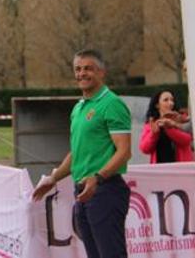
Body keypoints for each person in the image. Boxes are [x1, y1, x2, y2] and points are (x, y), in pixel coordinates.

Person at [32, 49, 131, 258]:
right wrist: (53, 178)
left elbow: (124, 152)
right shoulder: (78, 108)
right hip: (83, 193)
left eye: (88, 68)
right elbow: (77, 153)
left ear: (101, 72)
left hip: (106, 191)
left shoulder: (112, 104)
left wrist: (98, 178)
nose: (82, 74)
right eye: (78, 69)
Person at [139, 90, 193, 163]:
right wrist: (153, 134)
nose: (171, 103)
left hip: (181, 168)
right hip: (160, 169)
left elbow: (187, 141)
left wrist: (169, 128)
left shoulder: (181, 119)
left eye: (172, 100)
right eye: (166, 100)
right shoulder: (151, 124)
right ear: (157, 105)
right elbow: (144, 149)